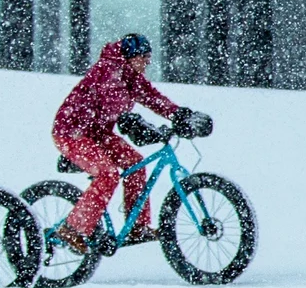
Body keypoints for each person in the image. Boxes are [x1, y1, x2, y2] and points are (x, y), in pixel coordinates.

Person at [51, 33, 206, 255]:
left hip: (97, 133)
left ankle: (137, 227)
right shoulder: (108, 70)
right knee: (108, 173)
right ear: (130, 56)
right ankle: (73, 228)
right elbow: (116, 104)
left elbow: (151, 97)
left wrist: (178, 114)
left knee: (136, 164)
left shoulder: (129, 74)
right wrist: (139, 125)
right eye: (144, 57)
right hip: (72, 134)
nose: (148, 62)